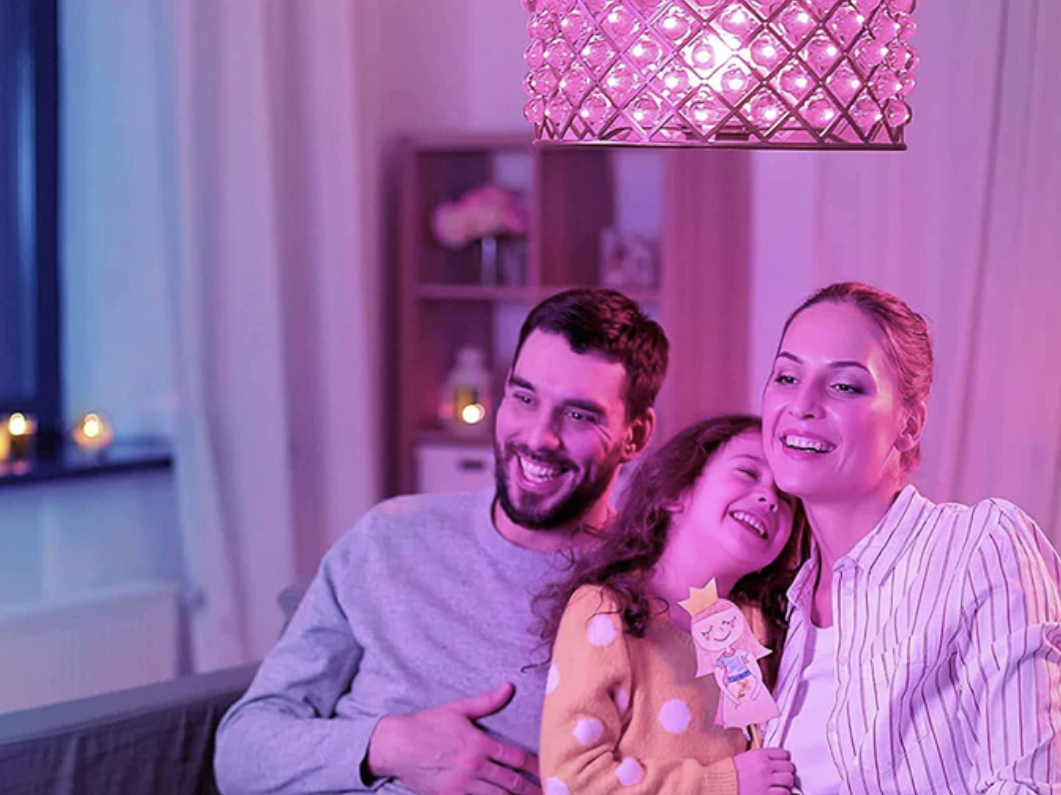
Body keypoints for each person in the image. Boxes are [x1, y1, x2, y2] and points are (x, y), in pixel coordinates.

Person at [213, 288, 669, 795]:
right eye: (524, 398)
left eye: (579, 415)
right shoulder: (389, 537)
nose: (539, 437)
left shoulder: (644, 594)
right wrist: (390, 746)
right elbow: (241, 754)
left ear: (636, 434)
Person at [760, 281, 1061, 794]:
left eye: (844, 386)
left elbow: (1026, 782)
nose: (802, 405)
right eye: (787, 376)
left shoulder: (979, 546)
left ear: (909, 426)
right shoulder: (785, 605)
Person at [538, 415, 803, 795]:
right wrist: (723, 784)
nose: (770, 498)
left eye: (787, 498)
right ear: (674, 492)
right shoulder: (604, 612)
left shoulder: (757, 628)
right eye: (747, 472)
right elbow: (573, 781)